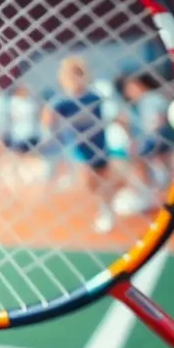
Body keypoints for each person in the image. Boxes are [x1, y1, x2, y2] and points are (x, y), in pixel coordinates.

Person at [41, 56, 121, 233]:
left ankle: (107, 210)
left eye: (78, 75)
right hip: (78, 148)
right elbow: (48, 115)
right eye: (70, 76)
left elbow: (109, 115)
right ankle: (107, 201)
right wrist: (51, 133)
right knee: (89, 181)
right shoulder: (63, 101)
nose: (75, 80)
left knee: (103, 177)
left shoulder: (93, 97)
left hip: (99, 144)